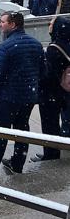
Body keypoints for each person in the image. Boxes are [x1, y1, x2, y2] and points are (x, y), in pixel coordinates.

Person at [0, 12, 44, 177]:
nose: (0, 25)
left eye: (3, 22)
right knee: (22, 129)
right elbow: (43, 71)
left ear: (13, 25)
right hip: (27, 97)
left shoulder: (5, 47)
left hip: (7, 98)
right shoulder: (36, 44)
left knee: (1, 131)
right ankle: (17, 163)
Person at [32, 16, 70, 162]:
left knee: (50, 126)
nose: (49, 26)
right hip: (63, 93)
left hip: (51, 95)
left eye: (52, 24)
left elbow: (48, 75)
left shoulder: (54, 49)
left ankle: (50, 154)